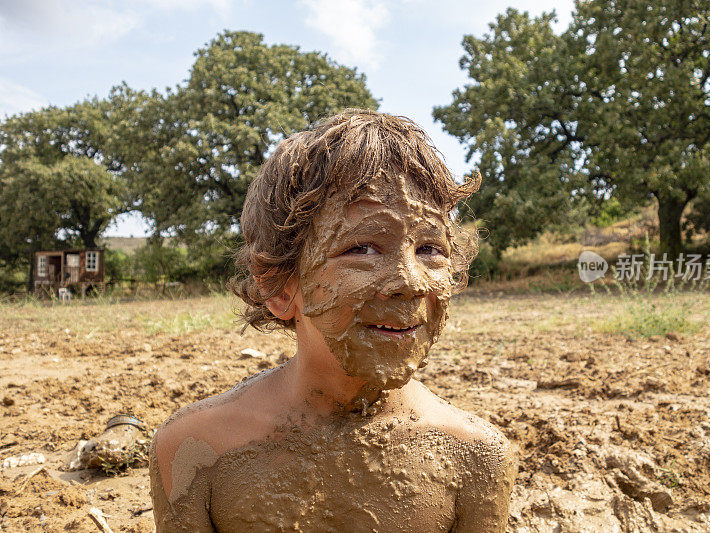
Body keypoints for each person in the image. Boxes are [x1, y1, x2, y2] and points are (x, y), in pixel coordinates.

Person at [149, 109, 517, 532]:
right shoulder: (195, 452)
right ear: (280, 288)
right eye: (362, 248)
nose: (410, 283)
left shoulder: (476, 458)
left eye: (430, 249)